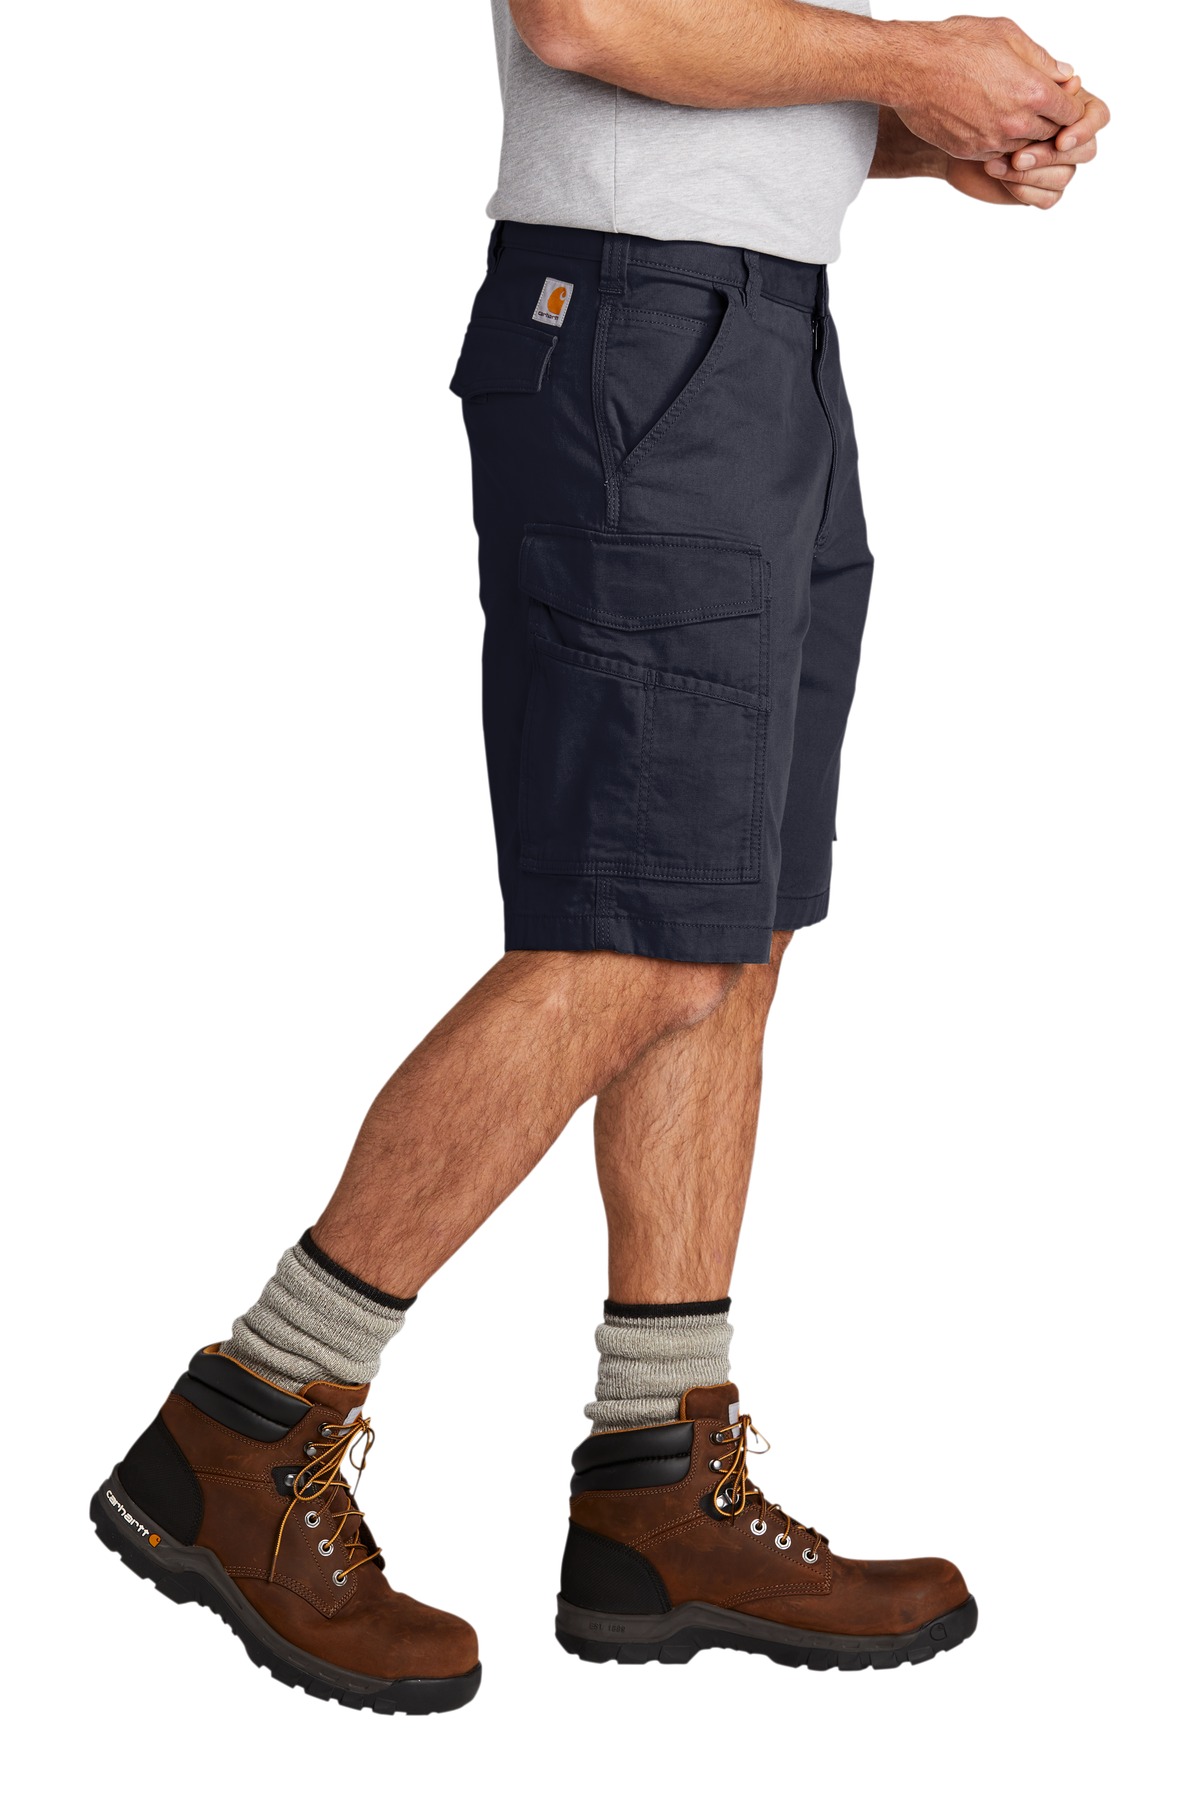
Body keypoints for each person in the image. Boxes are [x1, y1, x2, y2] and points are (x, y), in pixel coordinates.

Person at [91, 1, 1109, 1713]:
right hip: (639, 329)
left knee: (732, 932)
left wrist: (929, 136)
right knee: (634, 938)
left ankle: (657, 1488)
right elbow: (592, 17)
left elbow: (714, 69)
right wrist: (907, 63)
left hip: (757, 329)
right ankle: (243, 1425)